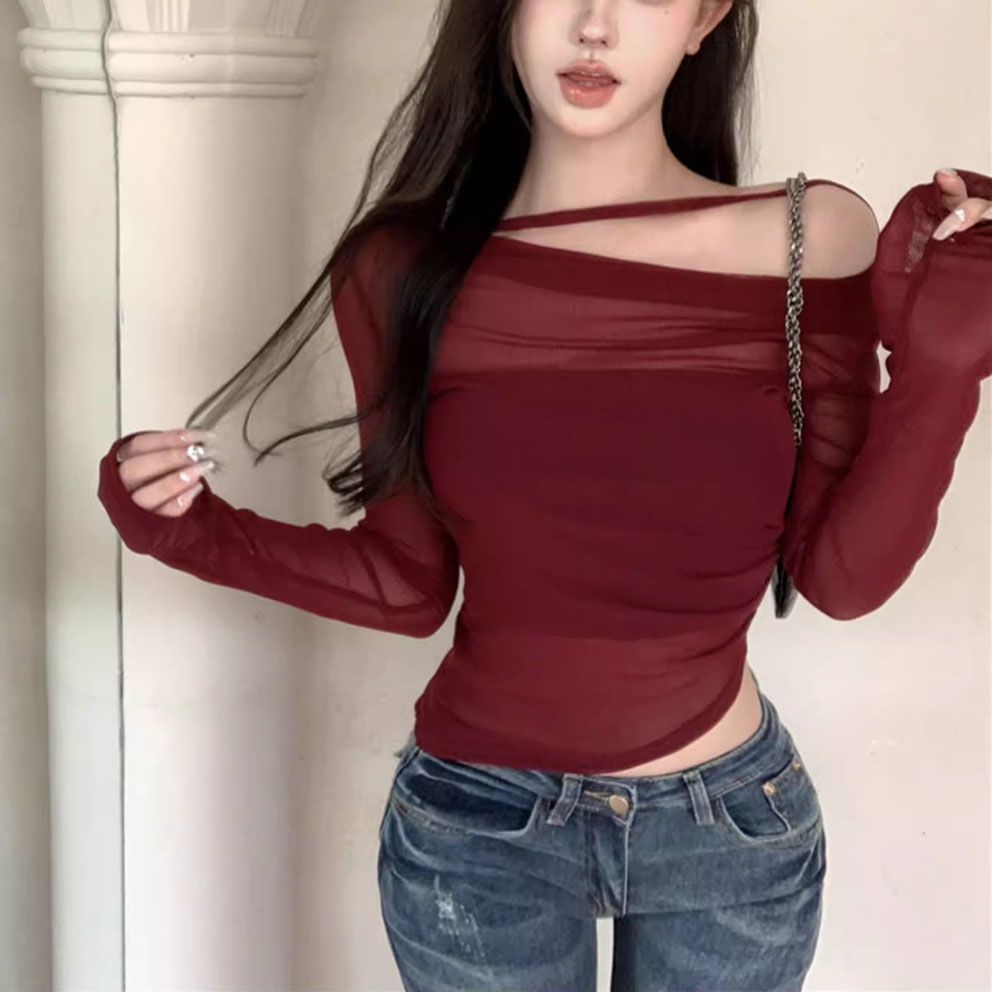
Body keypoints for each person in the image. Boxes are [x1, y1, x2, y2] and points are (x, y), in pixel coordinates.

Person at [96, 1, 992, 989]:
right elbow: (406, 583)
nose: (592, 25)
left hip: (727, 833)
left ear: (705, 17)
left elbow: (842, 578)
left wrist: (945, 363)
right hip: (477, 831)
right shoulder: (401, 267)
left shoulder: (809, 237)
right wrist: (189, 532)